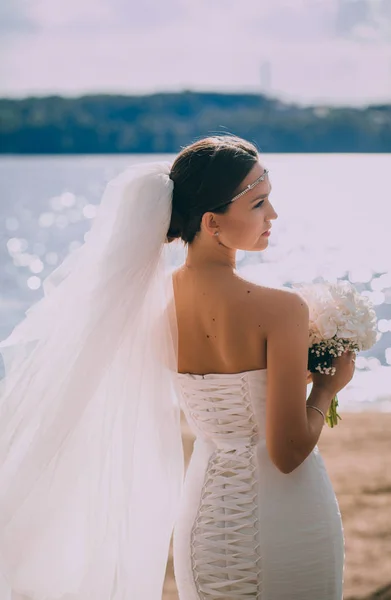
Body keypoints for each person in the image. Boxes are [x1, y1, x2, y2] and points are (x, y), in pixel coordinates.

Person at [0, 135, 355, 600]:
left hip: (206, 520)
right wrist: (327, 388)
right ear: (212, 222)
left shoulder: (150, 306)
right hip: (286, 516)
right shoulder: (281, 309)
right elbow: (288, 453)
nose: (273, 216)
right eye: (259, 204)